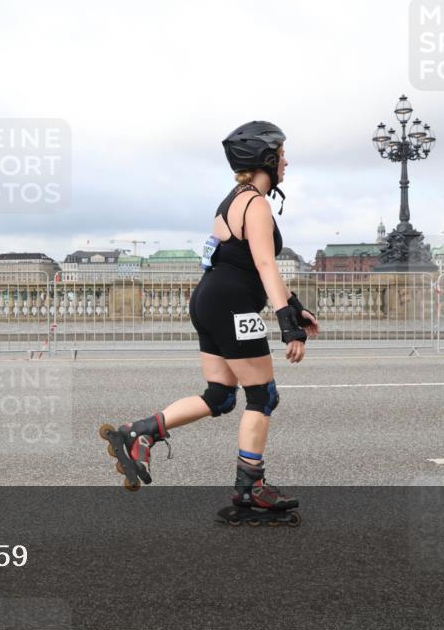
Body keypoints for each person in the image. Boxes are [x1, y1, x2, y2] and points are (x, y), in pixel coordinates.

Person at [100, 121, 320, 523]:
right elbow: (264, 263)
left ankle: (140, 432)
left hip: (209, 299)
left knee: (220, 394)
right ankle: (250, 490)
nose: (286, 161)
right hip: (233, 305)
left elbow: (239, 263)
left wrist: (295, 304)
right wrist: (288, 324)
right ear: (265, 158)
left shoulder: (231, 200)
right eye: (282, 153)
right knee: (262, 396)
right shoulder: (256, 203)